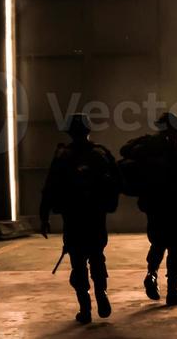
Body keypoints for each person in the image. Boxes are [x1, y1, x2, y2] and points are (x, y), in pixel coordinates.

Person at [39, 113, 122, 325]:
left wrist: (44, 216)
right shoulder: (100, 154)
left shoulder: (62, 156)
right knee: (97, 256)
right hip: (95, 217)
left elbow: (49, 188)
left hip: (73, 218)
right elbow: (116, 182)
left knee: (78, 262)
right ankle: (101, 294)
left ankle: (85, 308)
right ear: (88, 131)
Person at [121, 111, 177, 306]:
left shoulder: (146, 144)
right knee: (176, 247)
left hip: (153, 204)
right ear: (172, 127)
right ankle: (172, 292)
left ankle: (151, 275)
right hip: (174, 204)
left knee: (158, 243)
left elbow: (124, 150)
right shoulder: (173, 146)